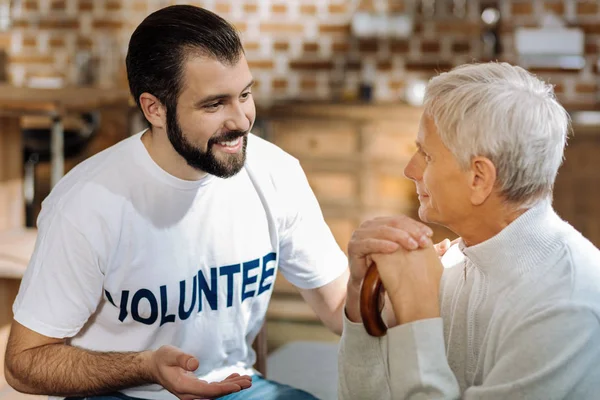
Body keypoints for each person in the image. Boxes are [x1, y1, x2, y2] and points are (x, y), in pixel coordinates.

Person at [339, 62, 600, 399]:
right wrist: (364, 304)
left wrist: (418, 314)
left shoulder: (566, 308)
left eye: (426, 155)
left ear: (479, 178)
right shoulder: (453, 264)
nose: (409, 169)